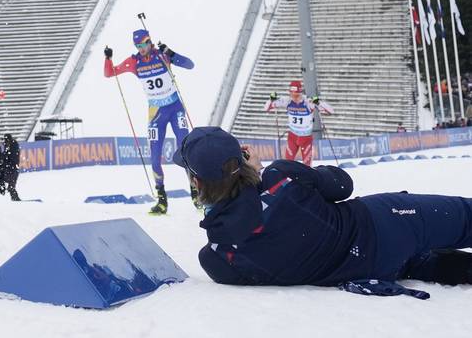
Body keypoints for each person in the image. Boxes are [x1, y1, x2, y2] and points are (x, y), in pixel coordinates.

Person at [176, 126, 472, 290]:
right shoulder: (280, 177)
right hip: (386, 222)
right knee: (465, 219)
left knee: (436, 263)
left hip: (369, 267)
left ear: (196, 181)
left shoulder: (216, 256)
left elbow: (265, 244)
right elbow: (343, 185)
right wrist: (262, 172)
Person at [103, 30, 195, 215]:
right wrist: (108, 58)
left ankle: (196, 193)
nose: (141, 49)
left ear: (149, 42)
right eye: (137, 46)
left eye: (143, 45)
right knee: (154, 157)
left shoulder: (162, 55)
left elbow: (190, 65)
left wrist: (171, 53)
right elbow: (109, 73)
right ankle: (161, 200)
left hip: (175, 108)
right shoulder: (134, 61)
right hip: (156, 113)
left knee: (185, 150)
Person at [265, 79, 334, 166]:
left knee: (307, 165)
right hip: (292, 137)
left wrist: (319, 102)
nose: (294, 97)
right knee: (288, 163)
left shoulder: (308, 102)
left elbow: (330, 111)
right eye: (292, 94)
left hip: (306, 139)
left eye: (296, 95)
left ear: (301, 93)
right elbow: (266, 108)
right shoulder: (287, 101)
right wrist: (271, 100)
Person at [0, 134, 21, 201]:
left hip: (13, 168)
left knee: (11, 185)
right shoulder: (8, 145)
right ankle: (14, 198)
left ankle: (15, 198)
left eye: (6, 141)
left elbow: (10, 156)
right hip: (9, 168)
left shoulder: (14, 146)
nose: (5, 142)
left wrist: (3, 156)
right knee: (10, 185)